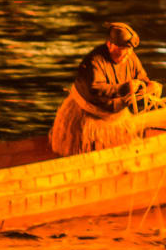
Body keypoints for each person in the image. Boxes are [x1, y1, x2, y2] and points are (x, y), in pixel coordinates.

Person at [48, 21, 160, 156]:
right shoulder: (94, 61)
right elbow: (95, 88)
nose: (128, 53)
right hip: (91, 115)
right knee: (86, 153)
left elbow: (141, 77)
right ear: (110, 45)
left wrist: (149, 85)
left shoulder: (131, 57)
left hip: (117, 115)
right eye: (123, 48)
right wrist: (123, 88)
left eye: (130, 49)